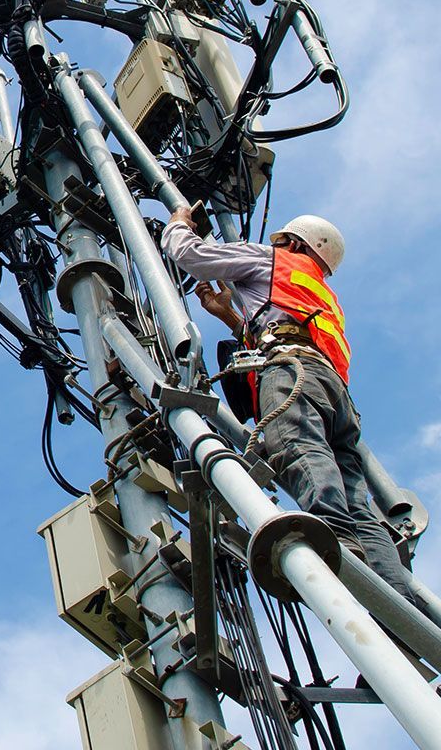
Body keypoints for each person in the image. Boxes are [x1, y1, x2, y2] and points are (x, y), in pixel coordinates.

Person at [161, 202, 419, 606]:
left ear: (292, 240)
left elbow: (190, 255)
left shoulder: (271, 258)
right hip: (333, 392)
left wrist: (178, 223)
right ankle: (399, 602)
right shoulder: (320, 289)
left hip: (292, 373)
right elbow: (285, 325)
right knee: (357, 500)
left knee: (297, 447)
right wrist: (232, 317)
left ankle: (340, 545)